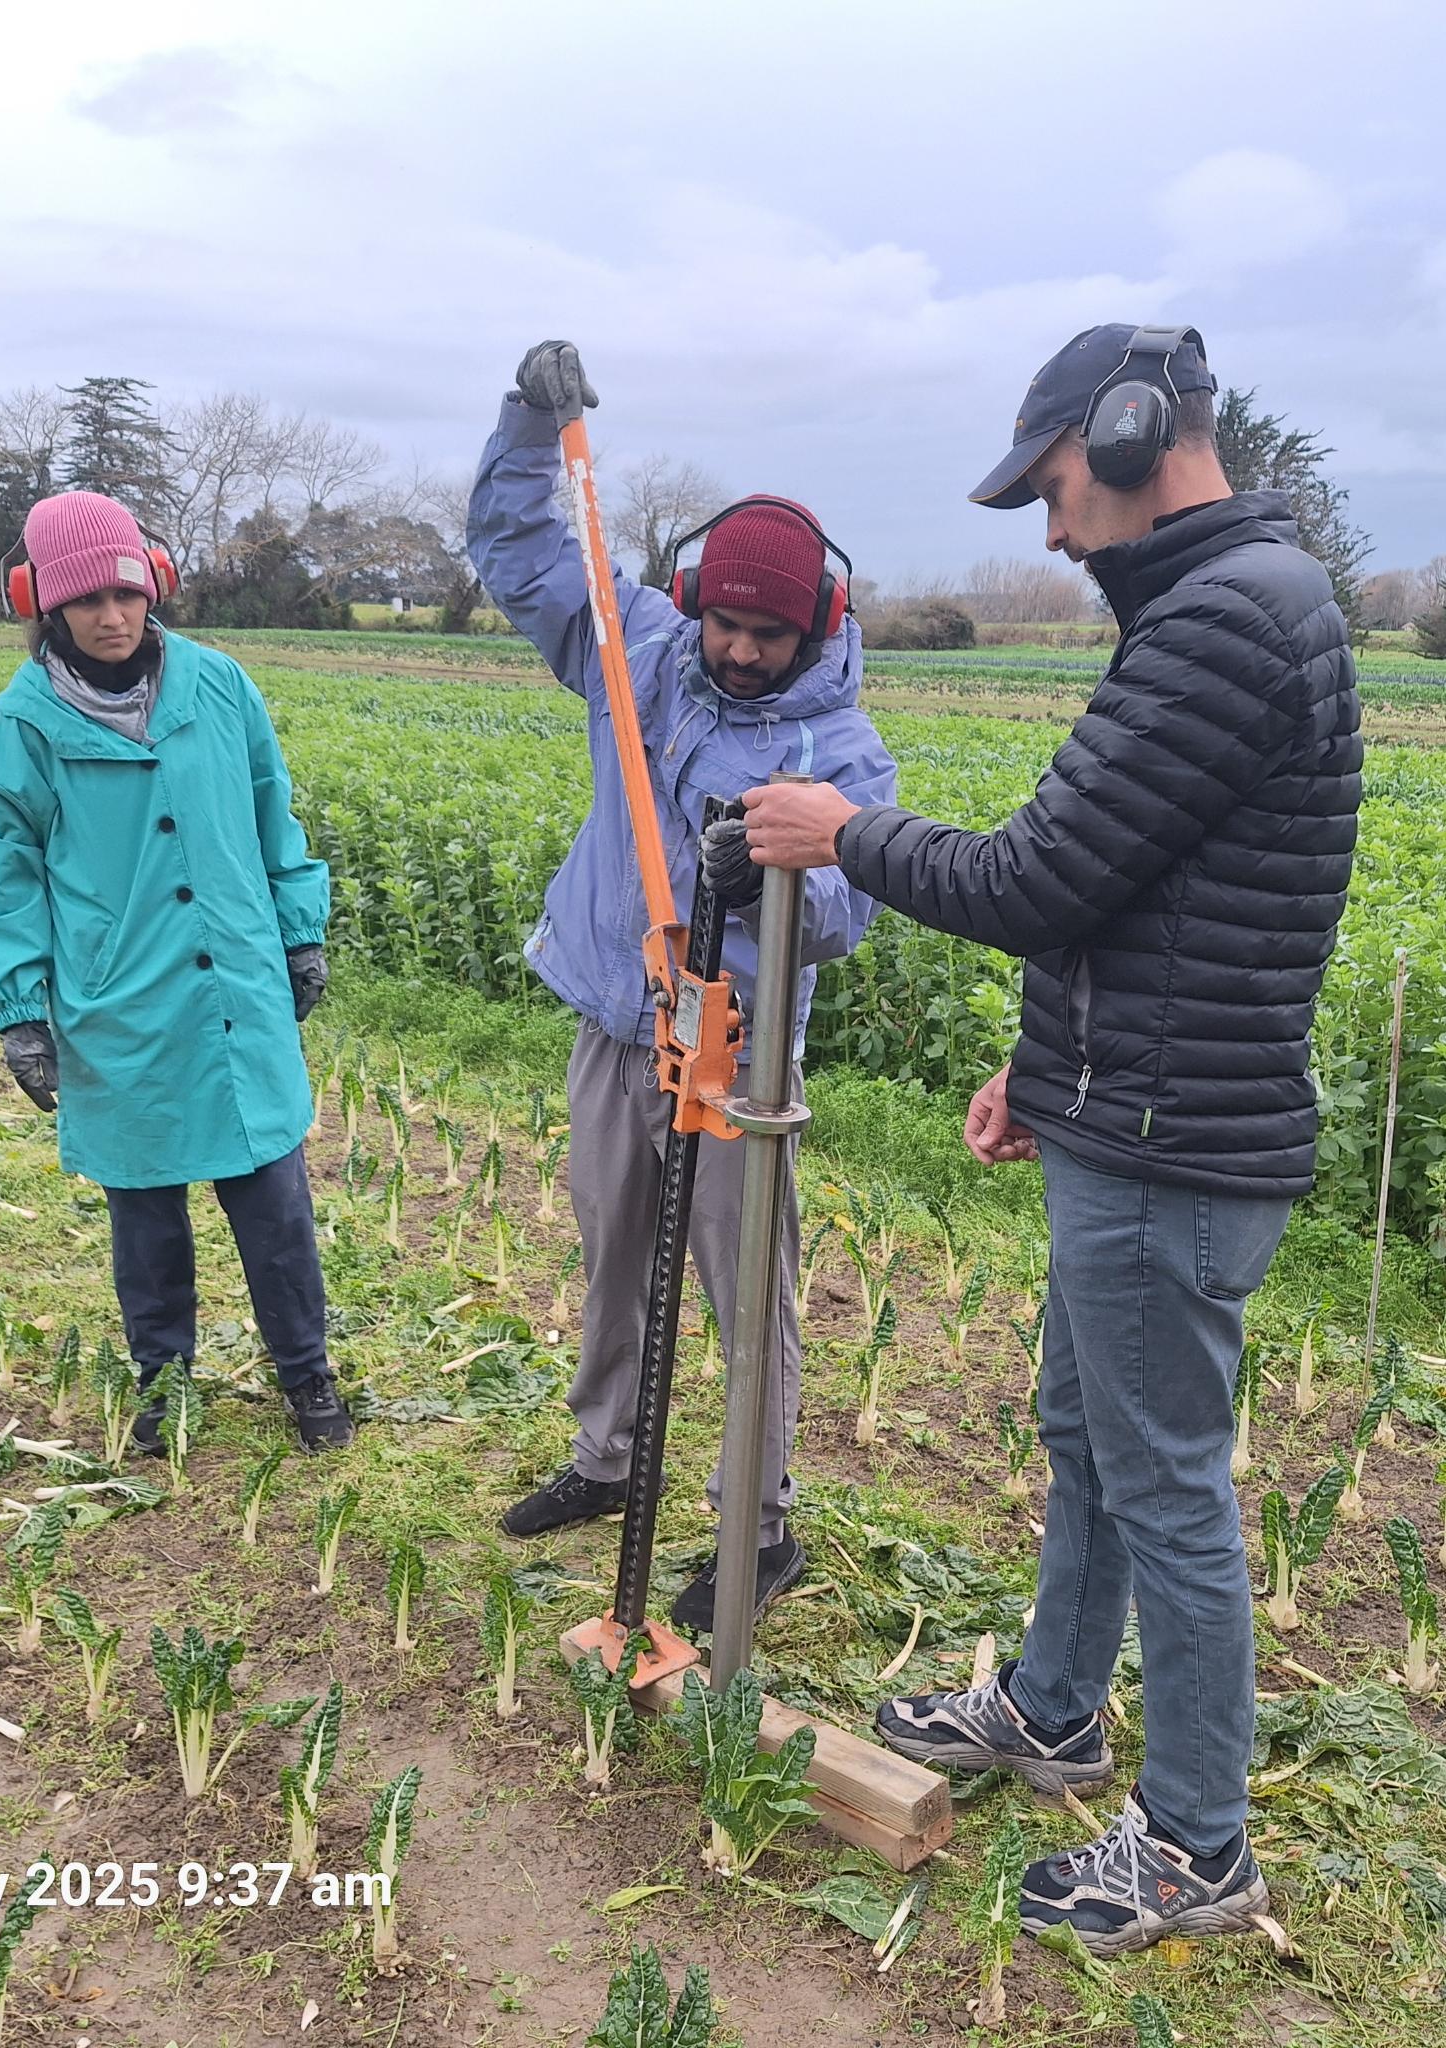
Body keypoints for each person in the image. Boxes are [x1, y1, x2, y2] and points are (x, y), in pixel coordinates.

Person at [742, 324, 1361, 1954]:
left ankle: (1196, 1849)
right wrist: (1041, 1074)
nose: (1045, 527)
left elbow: (1033, 878)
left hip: (1169, 1153)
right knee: (1086, 1435)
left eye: (1051, 483)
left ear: (1133, 433)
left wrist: (841, 832)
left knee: (1163, 1488)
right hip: (1132, 1117)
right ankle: (1053, 1707)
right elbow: (1148, 908)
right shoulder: (1224, 606)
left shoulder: (1222, 622)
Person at [468, 340, 899, 1632]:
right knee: (611, 1252)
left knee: (742, 1290)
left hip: (737, 1050)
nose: (742, 651)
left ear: (813, 628)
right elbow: (519, 549)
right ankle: (608, 1460)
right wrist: (530, 423)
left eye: (770, 634)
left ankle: (757, 1530)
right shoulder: (640, 658)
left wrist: (772, 867)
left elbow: (847, 909)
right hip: (616, 1019)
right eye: (726, 622)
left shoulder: (843, 751)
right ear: (691, 602)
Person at [0, 489, 354, 1456]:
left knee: (273, 1203)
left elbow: (276, 816)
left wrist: (299, 930)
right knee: (146, 1217)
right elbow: (7, 874)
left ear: (155, 586)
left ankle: (306, 1375)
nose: (112, 617)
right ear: (45, 607)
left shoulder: (221, 686)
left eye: (127, 594)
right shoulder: (26, 725)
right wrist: (22, 1011)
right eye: (86, 601)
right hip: (119, 1001)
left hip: (234, 986)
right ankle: (165, 1384)